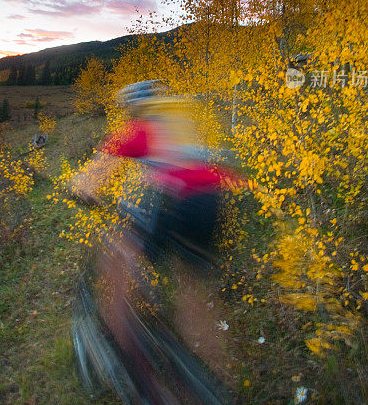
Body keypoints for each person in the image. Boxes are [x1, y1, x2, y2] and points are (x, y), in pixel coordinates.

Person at [68, 80, 241, 379]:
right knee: (192, 289)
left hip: (180, 202)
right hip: (212, 197)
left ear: (132, 108)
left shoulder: (137, 128)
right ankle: (218, 380)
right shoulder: (180, 119)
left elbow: (94, 176)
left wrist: (81, 188)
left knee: (117, 255)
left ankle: (123, 351)